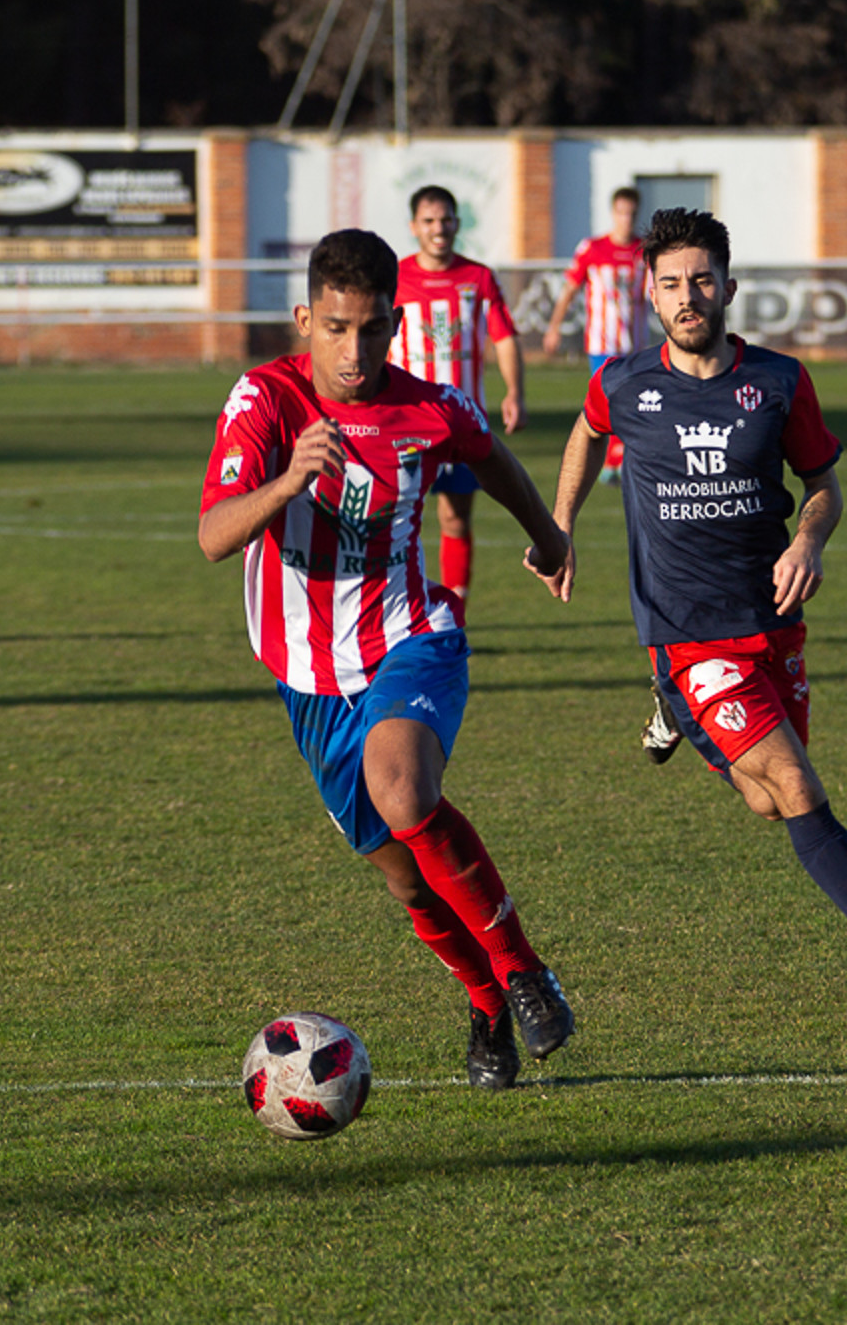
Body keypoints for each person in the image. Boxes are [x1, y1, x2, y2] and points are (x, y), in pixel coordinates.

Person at [545, 207, 847, 1002]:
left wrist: (808, 542)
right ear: (649, 294)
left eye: (702, 280)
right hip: (686, 635)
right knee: (800, 785)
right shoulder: (623, 382)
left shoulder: (778, 382)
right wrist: (560, 523)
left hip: (770, 624)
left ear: (729, 287)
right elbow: (584, 430)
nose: (688, 297)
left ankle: (675, 714)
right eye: (671, 284)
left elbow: (823, 486)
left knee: (766, 802)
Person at [198, 228, 577, 1089]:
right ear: (305, 319)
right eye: (335, 328)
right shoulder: (264, 401)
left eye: (371, 330)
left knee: (404, 790)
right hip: (309, 683)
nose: (355, 350)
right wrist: (288, 480)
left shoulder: (430, 408)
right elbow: (215, 536)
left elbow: (493, 460)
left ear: (395, 322)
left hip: (411, 639)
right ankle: (486, 1003)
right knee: (411, 885)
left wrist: (548, 538)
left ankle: (523, 972)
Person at [385, 186, 524, 621]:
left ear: (457, 223)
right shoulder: (395, 278)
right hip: (402, 423)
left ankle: (453, 614)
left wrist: (514, 391)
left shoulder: (478, 278)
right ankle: (391, 615)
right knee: (391, 523)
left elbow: (504, 336)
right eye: (429, 221)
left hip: (461, 423)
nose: (438, 229)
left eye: (446, 219)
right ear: (414, 227)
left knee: (455, 519)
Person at [542, 187, 646, 487]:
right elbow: (569, 290)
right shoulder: (592, 248)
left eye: (631, 214)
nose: (626, 219)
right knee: (610, 401)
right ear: (613, 213)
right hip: (602, 343)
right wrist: (554, 327)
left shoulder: (644, 252)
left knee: (630, 402)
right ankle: (614, 459)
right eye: (621, 213)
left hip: (634, 344)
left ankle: (615, 460)